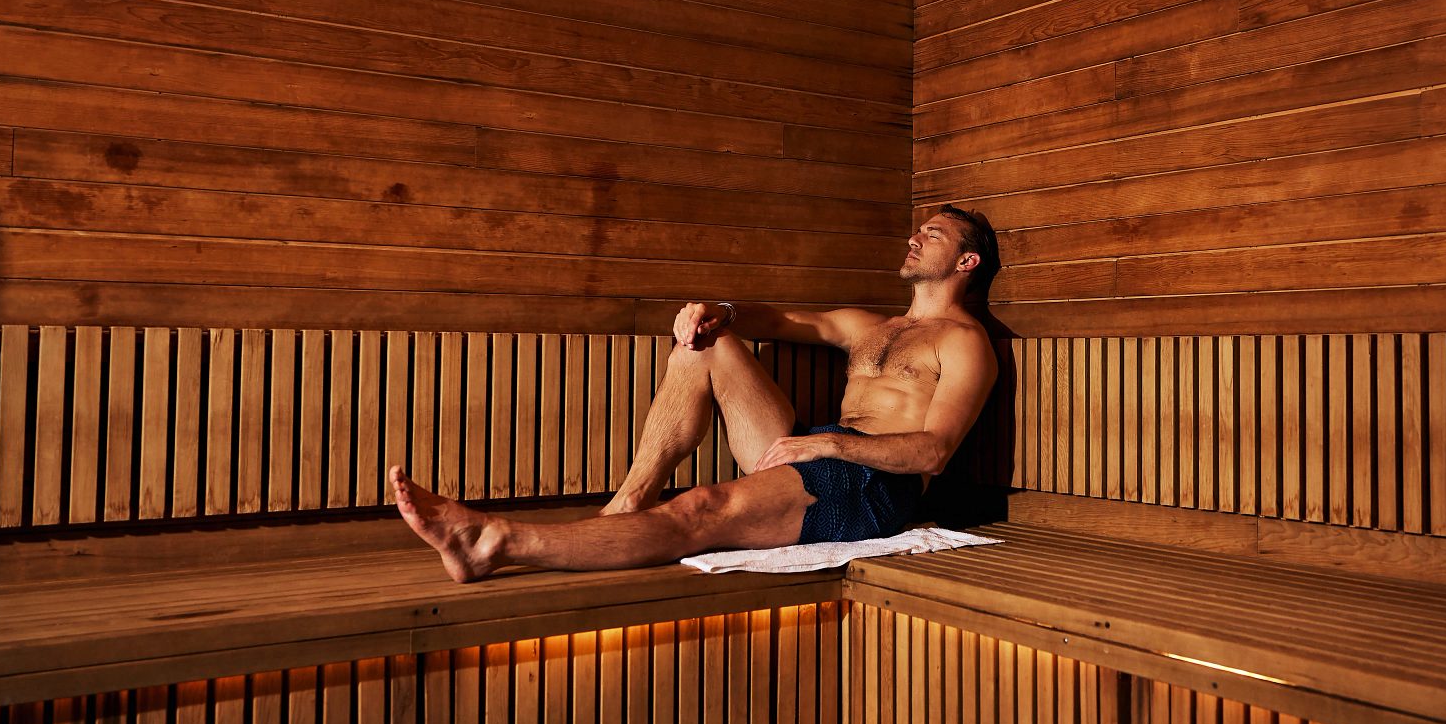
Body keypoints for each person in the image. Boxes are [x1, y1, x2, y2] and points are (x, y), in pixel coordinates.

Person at [390, 207, 1001, 582]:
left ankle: (496, 541)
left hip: (874, 485)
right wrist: (716, 312)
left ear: (967, 260)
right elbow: (783, 321)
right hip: (814, 453)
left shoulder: (965, 342)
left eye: (935, 234)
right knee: (708, 343)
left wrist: (834, 447)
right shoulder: (871, 326)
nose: (916, 239)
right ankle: (629, 501)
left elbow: (932, 452)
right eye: (918, 230)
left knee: (702, 508)